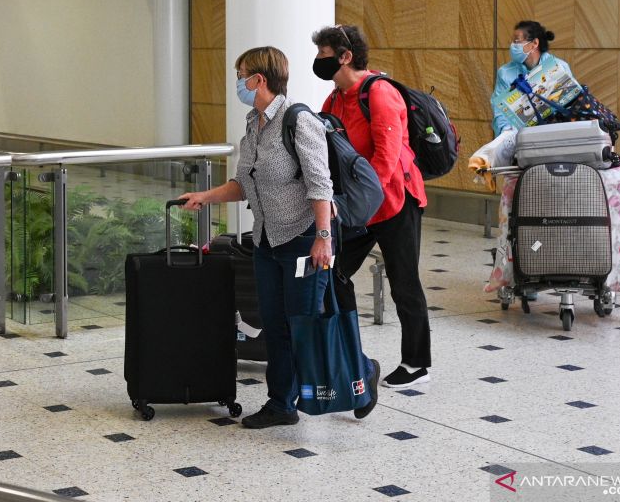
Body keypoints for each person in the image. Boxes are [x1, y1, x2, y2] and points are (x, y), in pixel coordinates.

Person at [179, 46, 379, 428]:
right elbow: (243, 182)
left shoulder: (298, 121)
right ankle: (281, 404)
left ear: (260, 79)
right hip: (267, 241)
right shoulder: (253, 125)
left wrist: (324, 238)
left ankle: (363, 368)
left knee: (304, 323)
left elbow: (320, 185)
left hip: (304, 239)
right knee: (275, 323)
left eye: (242, 74)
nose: (238, 81)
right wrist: (206, 197)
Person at [312, 25, 431, 390]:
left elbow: (387, 159)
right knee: (334, 273)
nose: (317, 61)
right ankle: (347, 350)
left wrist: (355, 203)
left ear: (345, 56)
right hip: (357, 206)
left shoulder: (380, 94)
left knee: (404, 282)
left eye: (323, 54)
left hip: (396, 201)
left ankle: (416, 362)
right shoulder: (334, 99)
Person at [490, 20, 575, 136]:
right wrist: (506, 133)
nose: (512, 46)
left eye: (516, 41)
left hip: (555, 136)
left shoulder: (558, 67)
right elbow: (500, 112)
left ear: (534, 43)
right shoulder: (505, 73)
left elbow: (571, 105)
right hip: (519, 139)